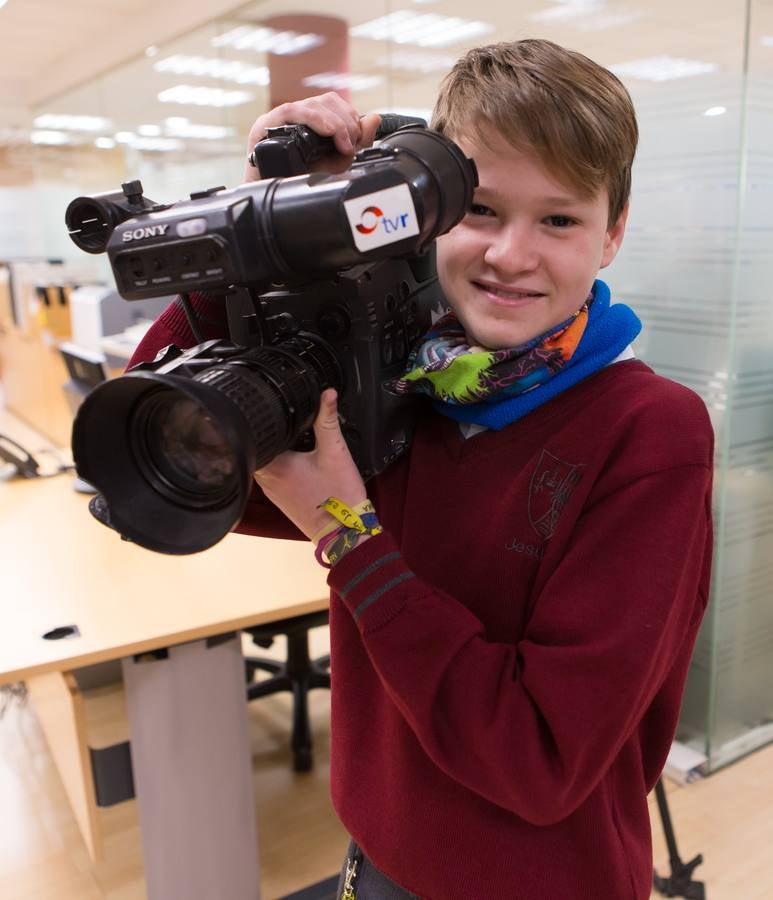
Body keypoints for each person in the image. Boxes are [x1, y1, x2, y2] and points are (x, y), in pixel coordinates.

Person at [129, 39, 714, 900]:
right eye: (479, 210)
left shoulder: (649, 432)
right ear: (430, 216)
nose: (511, 256)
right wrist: (270, 226)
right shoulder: (409, 380)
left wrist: (350, 535)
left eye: (558, 220)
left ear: (612, 233)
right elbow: (179, 449)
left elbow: (542, 759)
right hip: (375, 865)